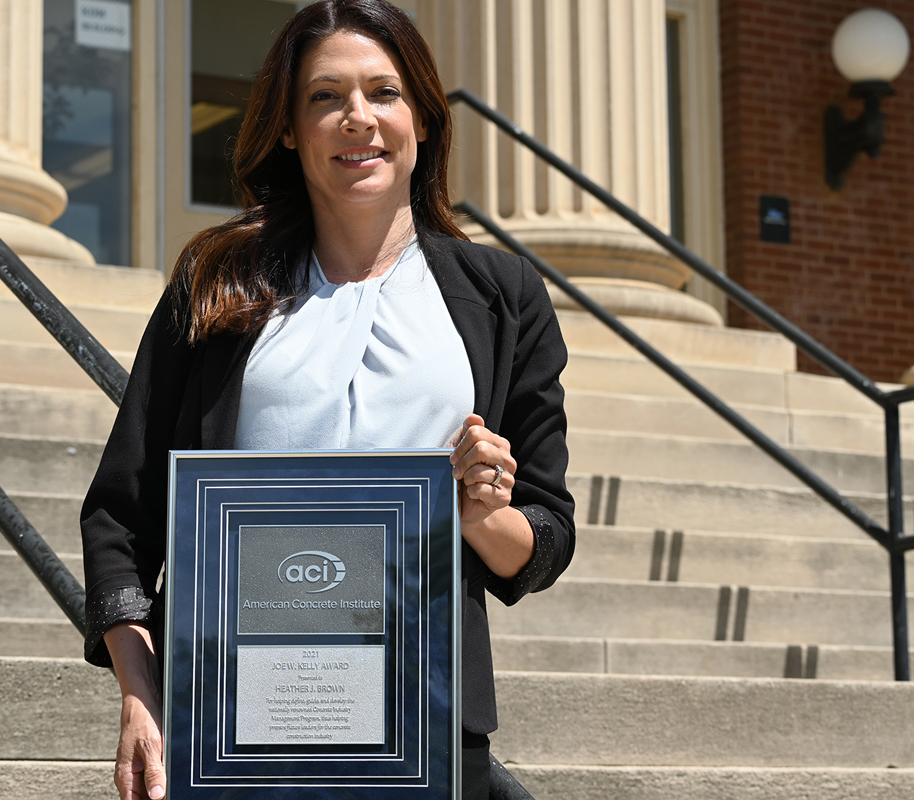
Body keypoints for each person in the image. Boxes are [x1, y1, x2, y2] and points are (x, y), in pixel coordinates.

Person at [80, 2, 575, 798]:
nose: (358, 119)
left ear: (422, 117)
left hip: (428, 712)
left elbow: (544, 537)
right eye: (324, 97)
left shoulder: (502, 296)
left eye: (384, 93)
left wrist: (484, 514)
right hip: (232, 711)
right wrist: (142, 699)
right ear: (287, 127)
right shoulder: (216, 283)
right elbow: (122, 512)